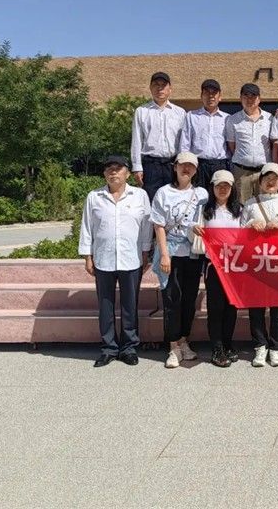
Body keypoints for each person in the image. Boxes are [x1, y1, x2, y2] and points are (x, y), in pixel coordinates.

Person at [79, 155, 152, 367]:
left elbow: (146, 226)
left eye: (118, 168)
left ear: (127, 173)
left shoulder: (139, 196)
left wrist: (145, 252)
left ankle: (129, 348)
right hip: (104, 259)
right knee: (105, 305)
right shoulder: (94, 197)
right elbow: (87, 227)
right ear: (104, 174)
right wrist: (87, 256)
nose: (113, 172)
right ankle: (109, 348)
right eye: (109, 169)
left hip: (131, 258)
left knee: (130, 305)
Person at [151, 152, 209, 368]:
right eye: (183, 165)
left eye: (191, 166)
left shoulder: (202, 193)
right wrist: (165, 254)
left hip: (193, 254)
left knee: (189, 300)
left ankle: (184, 340)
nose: (187, 169)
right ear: (175, 167)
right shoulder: (163, 193)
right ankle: (173, 346)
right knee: (172, 300)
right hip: (171, 254)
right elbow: (158, 226)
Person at [241, 162, 278, 367]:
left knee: (277, 307)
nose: (270, 181)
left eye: (275, 178)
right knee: (256, 306)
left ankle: (276, 347)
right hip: (256, 261)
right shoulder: (250, 204)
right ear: (260, 181)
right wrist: (251, 224)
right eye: (267, 178)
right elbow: (238, 231)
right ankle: (260, 345)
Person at [190, 170, 242, 368]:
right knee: (216, 307)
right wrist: (194, 229)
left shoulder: (239, 210)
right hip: (214, 266)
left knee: (231, 307)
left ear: (232, 188)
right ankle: (217, 348)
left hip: (235, 266)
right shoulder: (204, 210)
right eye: (219, 185)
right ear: (212, 187)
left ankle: (228, 344)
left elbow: (246, 234)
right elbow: (193, 233)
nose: (222, 189)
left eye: (226, 186)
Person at [130, 71, 186, 201]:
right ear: (150, 88)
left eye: (163, 85)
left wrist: (182, 165)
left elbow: (183, 142)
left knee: (174, 200)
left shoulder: (180, 113)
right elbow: (137, 140)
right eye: (156, 85)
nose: (160, 88)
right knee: (151, 201)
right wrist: (137, 167)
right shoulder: (142, 111)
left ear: (170, 89)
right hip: (151, 165)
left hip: (173, 165)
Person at [225, 83, 273, 203]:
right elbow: (232, 146)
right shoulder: (233, 120)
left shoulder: (270, 119)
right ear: (240, 98)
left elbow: (273, 144)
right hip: (241, 173)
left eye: (253, 96)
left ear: (259, 99)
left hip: (263, 172)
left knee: (264, 205)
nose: (249, 100)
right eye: (246, 96)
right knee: (242, 206)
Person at [179, 79, 231, 188]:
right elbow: (185, 144)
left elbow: (231, 145)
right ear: (201, 96)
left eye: (214, 93)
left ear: (220, 97)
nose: (210, 96)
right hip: (198, 165)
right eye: (206, 92)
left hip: (220, 165)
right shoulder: (191, 116)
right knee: (197, 195)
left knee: (219, 196)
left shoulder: (227, 118)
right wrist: (185, 165)